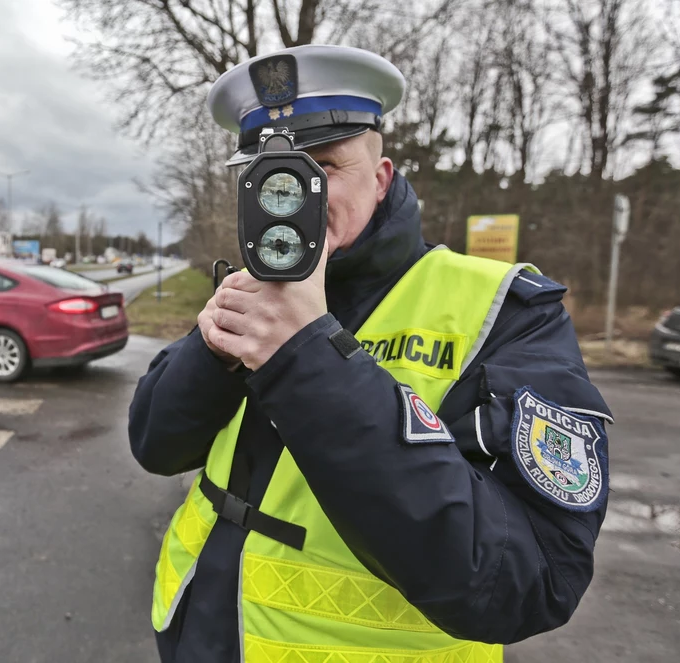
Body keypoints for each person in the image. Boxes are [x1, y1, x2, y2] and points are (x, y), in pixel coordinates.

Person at [129, 44, 613, 663]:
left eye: (324, 166)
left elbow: (528, 582)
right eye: (269, 172)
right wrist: (213, 351)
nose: (293, 193)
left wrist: (305, 356)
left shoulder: (505, 311)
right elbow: (154, 443)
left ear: (380, 177)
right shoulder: (245, 291)